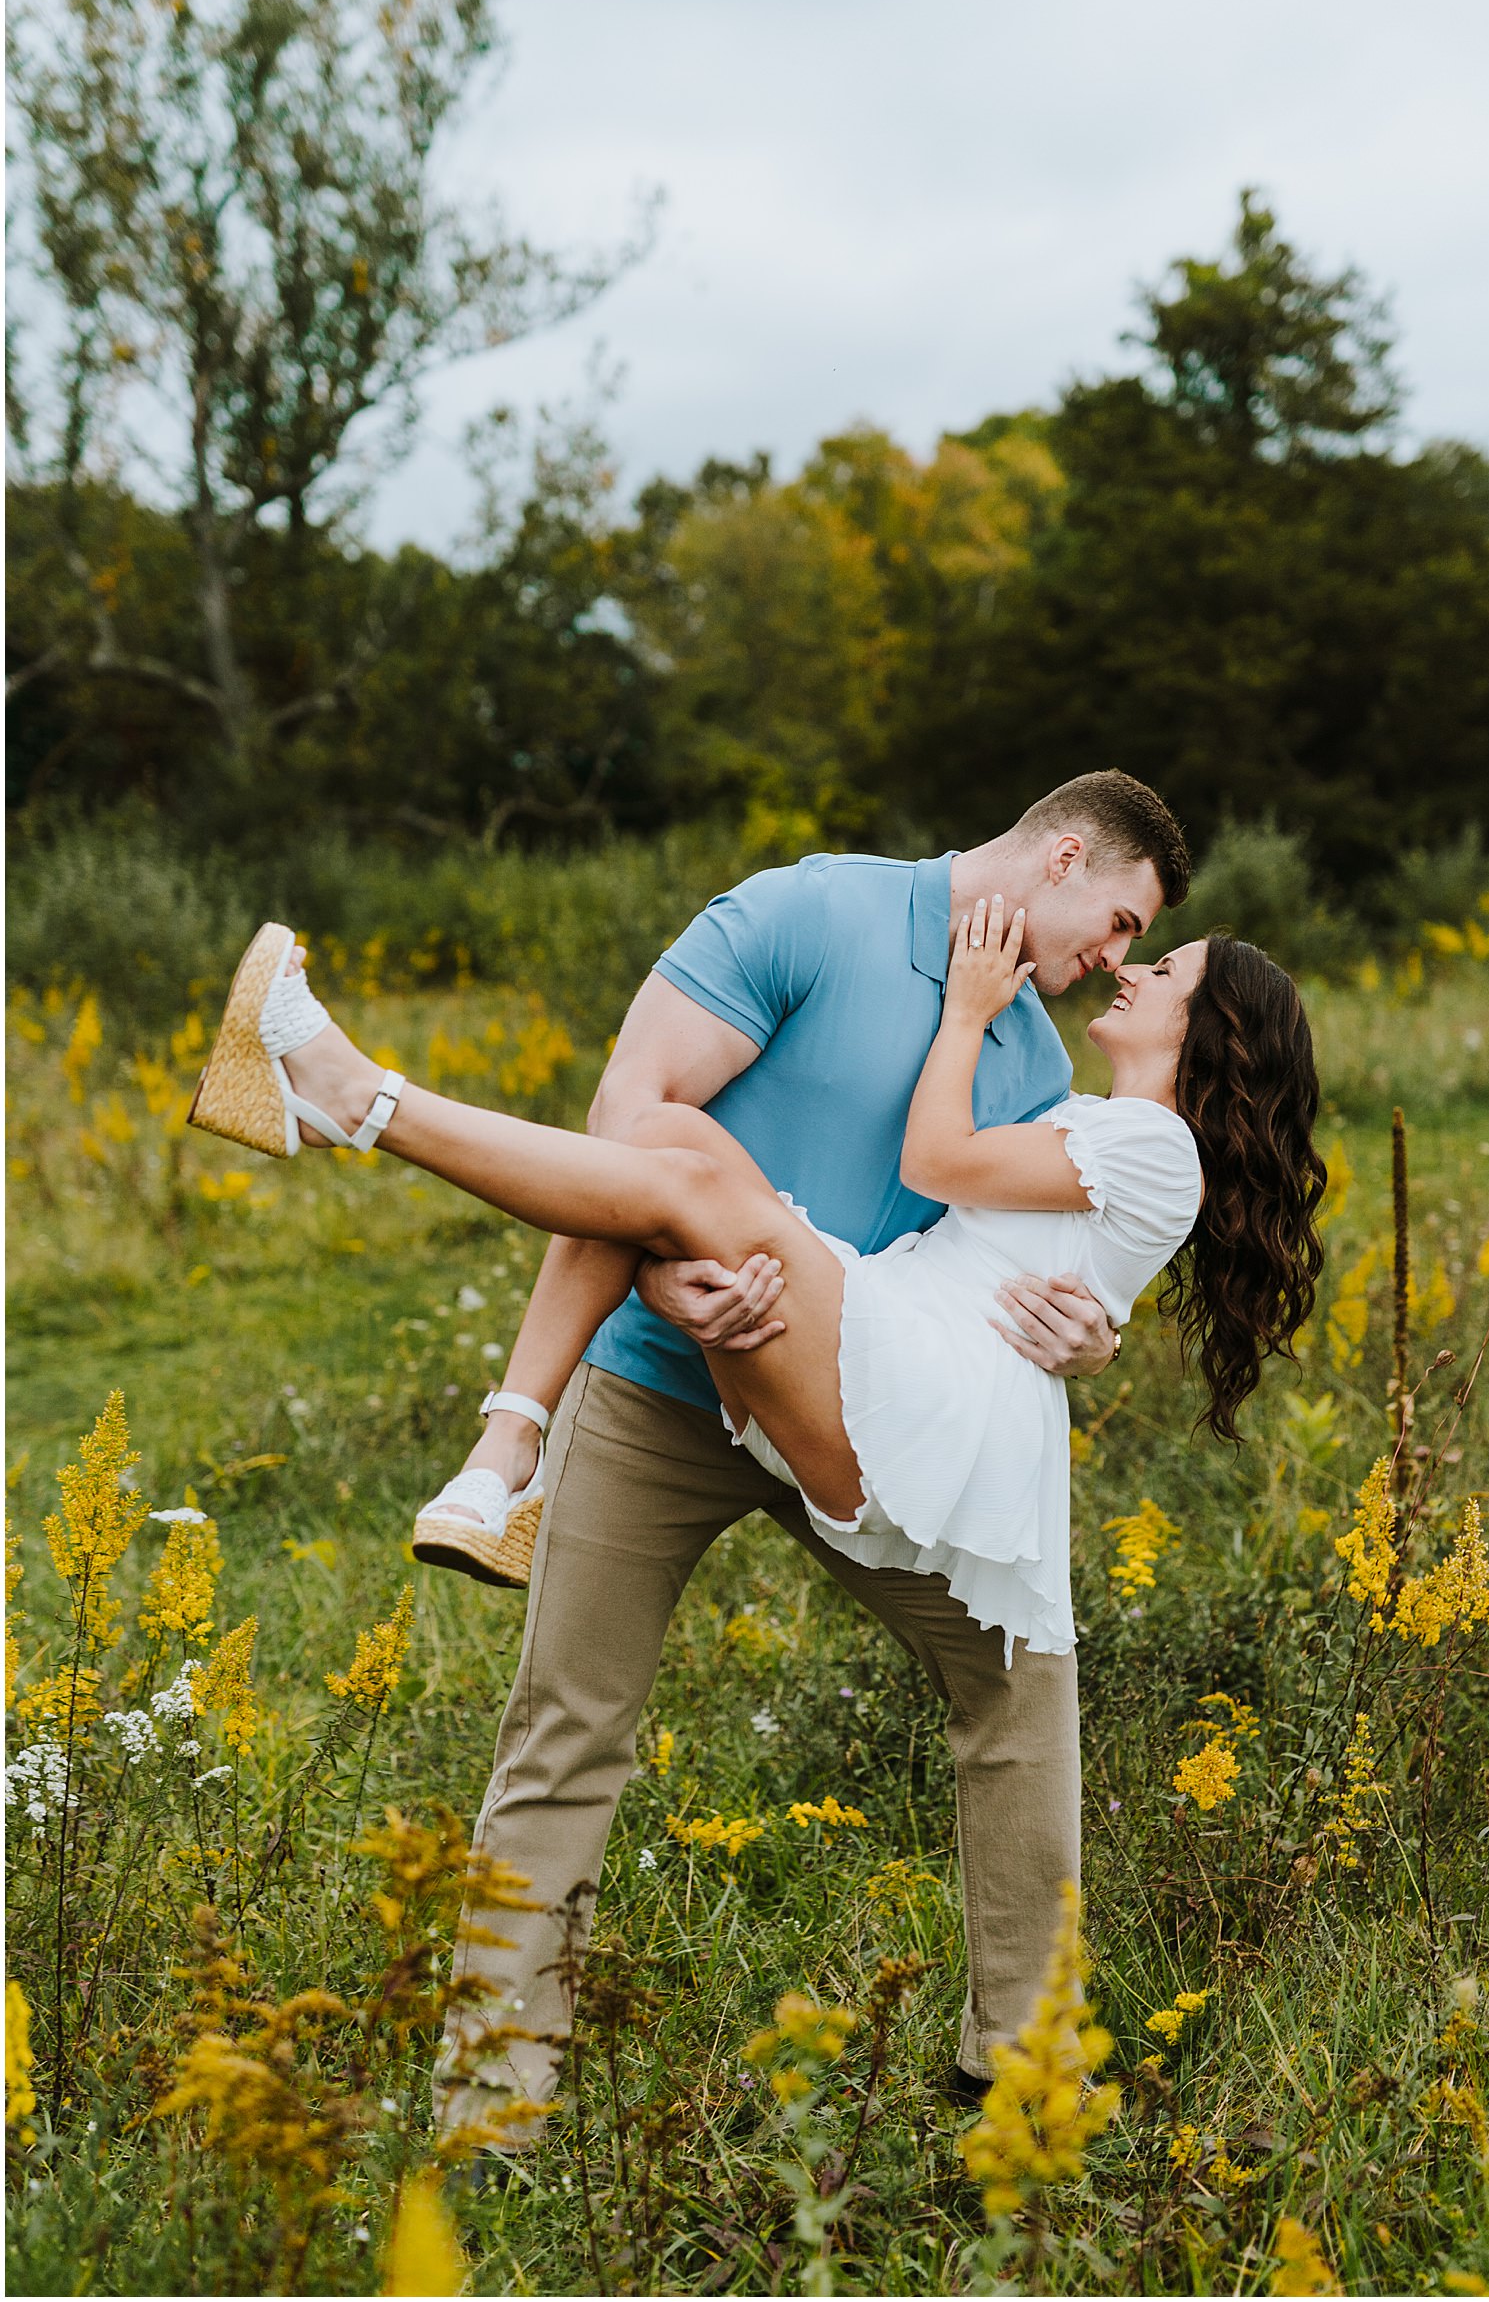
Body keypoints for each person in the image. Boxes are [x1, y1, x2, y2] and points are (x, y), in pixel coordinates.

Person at [190, 772, 1228, 2140]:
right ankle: (492, 2107)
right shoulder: (810, 912)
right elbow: (631, 1121)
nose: (1110, 957)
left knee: (1023, 1695)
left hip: (854, 1413)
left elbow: (1025, 1246)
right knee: (569, 1721)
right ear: (1065, 854)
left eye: (1133, 946)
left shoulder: (1033, 1058)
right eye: (1116, 920)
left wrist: (1093, 1331)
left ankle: (1024, 2068)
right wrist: (664, 1289)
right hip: (659, 1391)